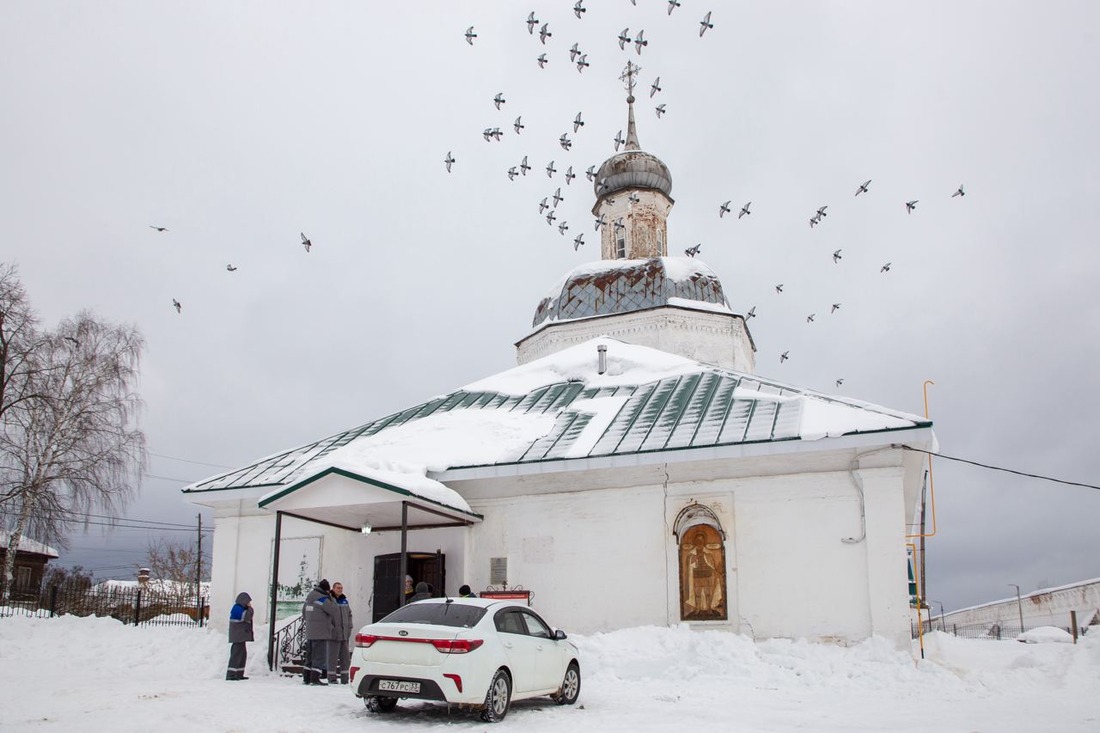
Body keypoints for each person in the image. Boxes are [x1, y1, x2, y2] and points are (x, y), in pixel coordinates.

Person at [302, 579, 337, 685]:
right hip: (320, 631)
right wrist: (332, 598)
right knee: (319, 656)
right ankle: (315, 678)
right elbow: (333, 610)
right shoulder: (323, 598)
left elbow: (304, 612)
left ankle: (306, 677)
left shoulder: (309, 597)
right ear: (326, 589)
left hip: (310, 631)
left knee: (310, 655)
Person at [329, 581, 353, 684]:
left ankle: (345, 678)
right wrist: (331, 628)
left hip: (344, 634)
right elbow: (327, 616)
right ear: (333, 589)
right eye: (338, 588)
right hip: (334, 634)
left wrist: (350, 627)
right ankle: (331, 677)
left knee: (345, 658)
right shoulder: (330, 600)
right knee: (332, 657)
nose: (340, 590)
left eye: (341, 588)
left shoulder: (345, 601)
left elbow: (349, 614)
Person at [226, 591, 253, 681]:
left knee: (242, 654)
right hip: (238, 637)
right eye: (248, 602)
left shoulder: (240, 608)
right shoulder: (237, 609)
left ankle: (239, 673)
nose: (249, 604)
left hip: (241, 637)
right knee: (236, 654)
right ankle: (231, 674)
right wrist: (250, 608)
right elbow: (247, 617)